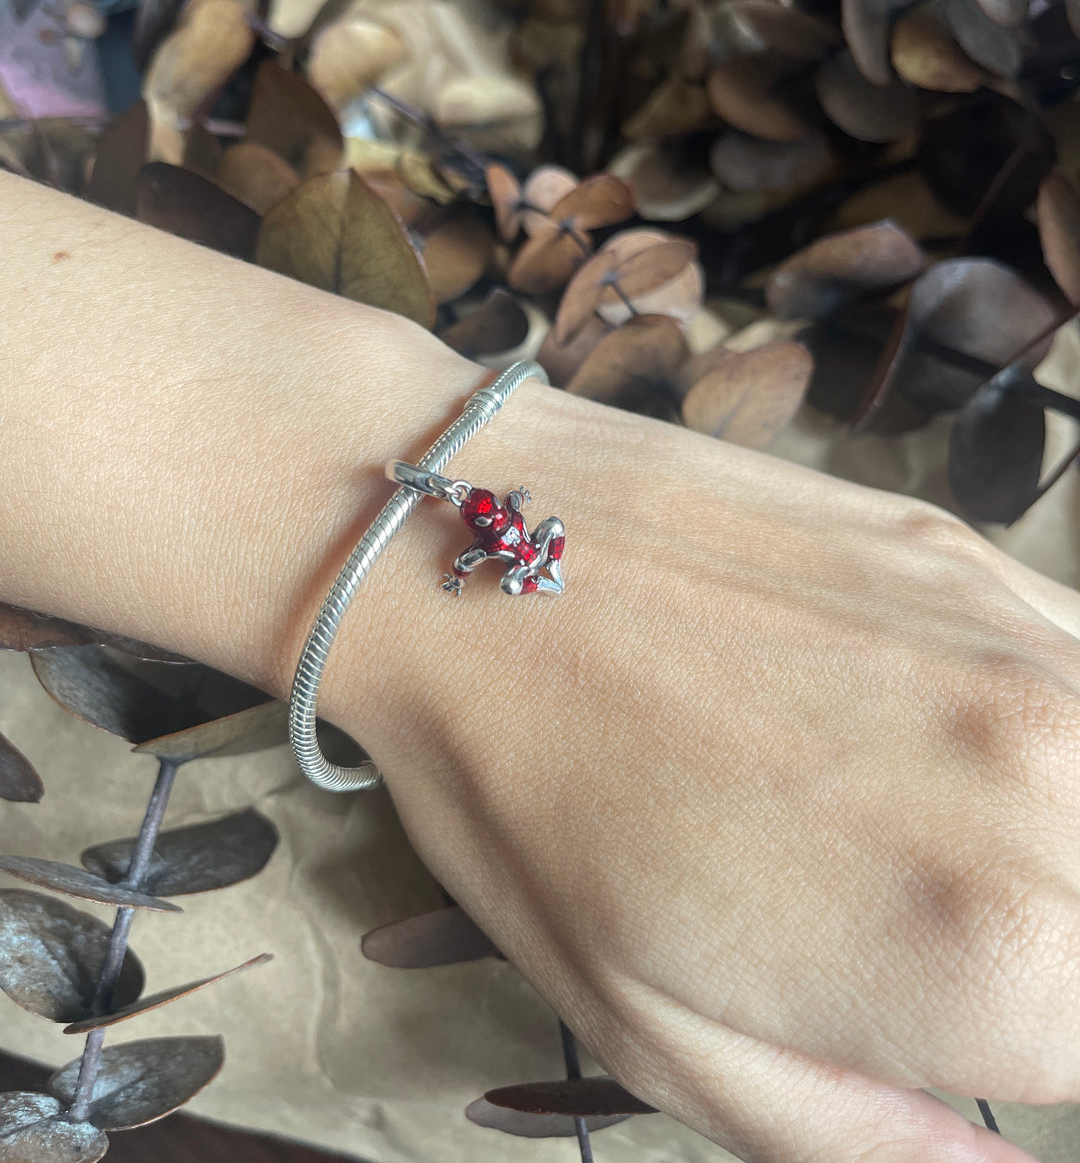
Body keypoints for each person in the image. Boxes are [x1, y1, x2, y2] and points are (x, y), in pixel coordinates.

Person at [3, 171, 1078, 1163]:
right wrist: (421, 537)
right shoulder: (496, 541)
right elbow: (494, 538)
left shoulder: (507, 544)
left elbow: (507, 538)